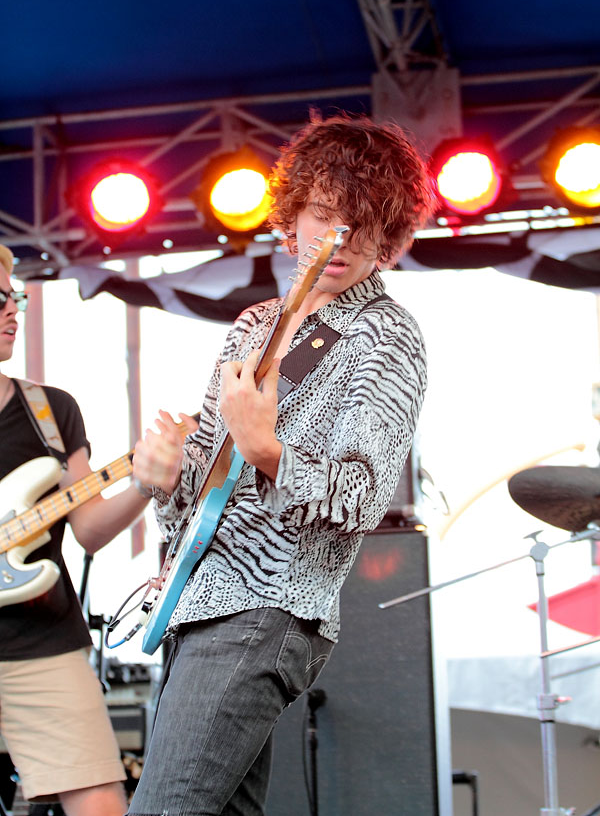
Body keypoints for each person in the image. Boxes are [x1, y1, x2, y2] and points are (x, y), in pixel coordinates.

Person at [129, 113, 435, 816]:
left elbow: (358, 501)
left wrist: (267, 449)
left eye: (361, 224)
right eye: (324, 215)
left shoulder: (386, 335)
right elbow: (202, 496)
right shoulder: (253, 326)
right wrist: (164, 477)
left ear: (388, 238)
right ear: (291, 215)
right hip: (194, 603)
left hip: (266, 607)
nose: (338, 239)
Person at [0, 243, 156, 816]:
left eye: (15, 296)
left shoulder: (51, 410)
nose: (14, 310)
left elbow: (88, 529)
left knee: (98, 799)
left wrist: (144, 483)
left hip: (43, 640)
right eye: (0, 299)